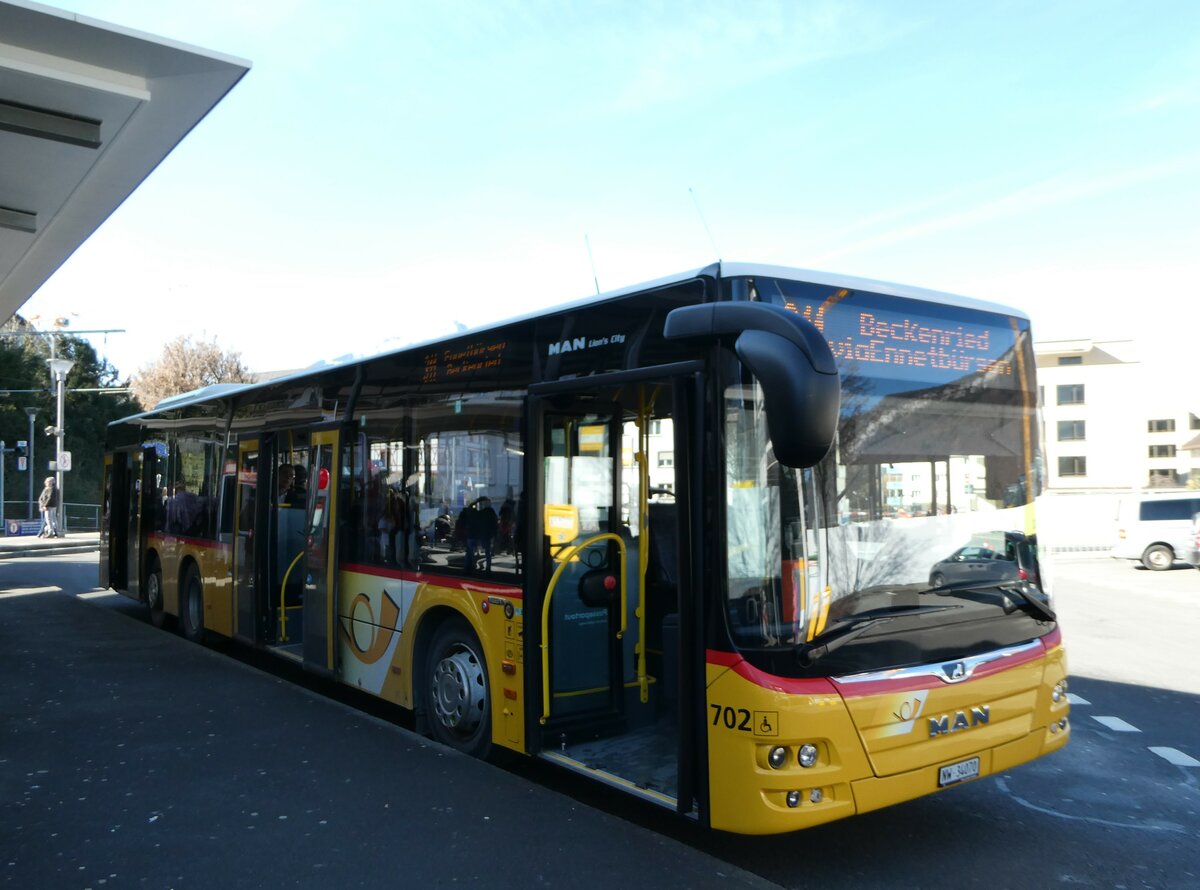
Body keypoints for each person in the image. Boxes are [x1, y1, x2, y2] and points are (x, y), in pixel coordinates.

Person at [465, 496, 499, 573]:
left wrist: (475, 502)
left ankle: (471, 566)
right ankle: (488, 567)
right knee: (487, 552)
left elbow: (471, 513)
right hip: (486, 535)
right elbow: (494, 524)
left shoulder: (478, 512)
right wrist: (494, 535)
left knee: (471, 551)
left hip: (478, 535)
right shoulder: (490, 512)